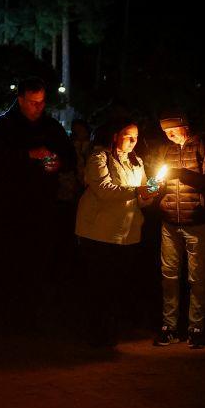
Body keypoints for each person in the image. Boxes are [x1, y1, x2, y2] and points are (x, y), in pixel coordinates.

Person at [0, 78, 76, 328]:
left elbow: (69, 156)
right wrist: (28, 155)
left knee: (39, 262)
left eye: (42, 102)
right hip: (10, 208)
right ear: (21, 100)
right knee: (10, 263)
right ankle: (6, 315)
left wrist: (58, 163)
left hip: (43, 207)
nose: (38, 107)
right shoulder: (3, 126)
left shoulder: (51, 126)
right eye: (33, 103)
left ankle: (34, 314)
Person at [75, 121, 158, 347]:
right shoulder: (99, 158)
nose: (133, 142)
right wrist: (136, 191)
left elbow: (140, 199)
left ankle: (112, 328)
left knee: (118, 283)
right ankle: (95, 331)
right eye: (128, 136)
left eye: (136, 137)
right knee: (99, 283)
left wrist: (149, 193)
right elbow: (104, 190)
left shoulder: (136, 162)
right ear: (114, 136)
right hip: (99, 232)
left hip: (127, 232)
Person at [152, 112, 205, 348]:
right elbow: (158, 179)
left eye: (173, 131)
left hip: (196, 221)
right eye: (166, 133)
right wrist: (156, 187)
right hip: (169, 220)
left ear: (185, 127)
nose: (170, 136)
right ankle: (169, 327)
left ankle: (196, 327)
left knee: (197, 277)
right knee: (169, 276)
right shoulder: (164, 150)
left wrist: (182, 175)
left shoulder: (202, 146)